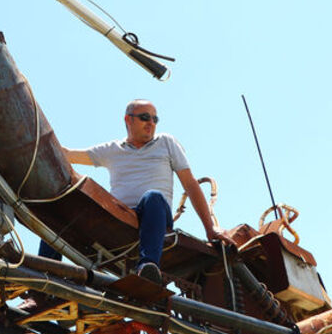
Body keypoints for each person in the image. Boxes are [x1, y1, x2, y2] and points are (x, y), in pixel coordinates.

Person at [58, 99, 233, 283]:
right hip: (120, 216)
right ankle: (47, 272)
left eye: (155, 119)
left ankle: (148, 267)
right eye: (144, 117)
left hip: (155, 214)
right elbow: (68, 155)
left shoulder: (166, 142)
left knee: (153, 196)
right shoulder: (112, 150)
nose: (151, 123)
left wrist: (210, 228)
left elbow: (190, 184)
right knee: (65, 203)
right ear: (128, 120)